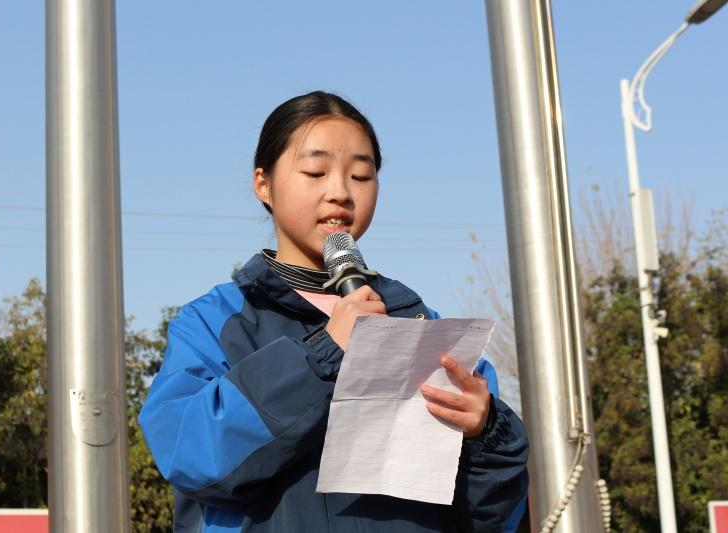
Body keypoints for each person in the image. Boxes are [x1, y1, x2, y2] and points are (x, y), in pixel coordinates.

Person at [139, 91, 528, 532]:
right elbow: (191, 455)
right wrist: (323, 354)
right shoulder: (215, 322)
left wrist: (485, 432)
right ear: (263, 184)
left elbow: (495, 515)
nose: (340, 192)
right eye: (315, 172)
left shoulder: (427, 327)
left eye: (361, 175)